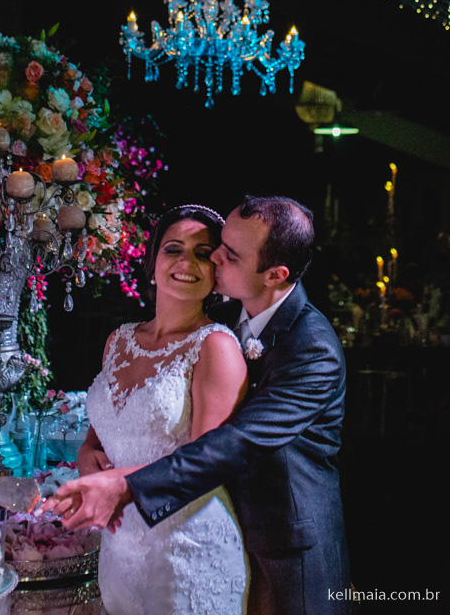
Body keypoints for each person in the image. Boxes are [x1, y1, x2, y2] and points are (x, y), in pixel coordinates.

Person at [40, 196, 351, 615]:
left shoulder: (311, 349)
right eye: (217, 245)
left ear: (275, 275)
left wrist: (124, 486)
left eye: (225, 253)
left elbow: (232, 444)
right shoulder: (231, 317)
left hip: (282, 542)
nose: (215, 258)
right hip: (143, 534)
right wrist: (87, 451)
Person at [74, 204, 250, 614]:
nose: (187, 262)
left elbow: (202, 465)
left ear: (217, 274)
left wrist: (115, 482)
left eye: (203, 253)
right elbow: (99, 436)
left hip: (185, 546)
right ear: (152, 263)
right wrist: (85, 457)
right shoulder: (118, 340)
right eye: (174, 249)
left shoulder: (215, 347)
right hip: (121, 544)